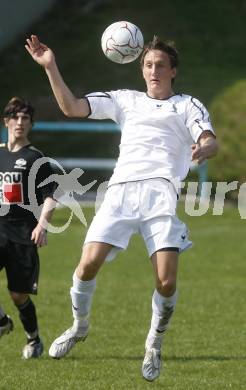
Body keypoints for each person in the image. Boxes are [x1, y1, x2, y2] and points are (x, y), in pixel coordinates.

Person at [25, 34, 218, 381]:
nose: (153, 70)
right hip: (120, 194)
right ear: (140, 70)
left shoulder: (187, 105)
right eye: (148, 65)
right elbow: (72, 107)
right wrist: (50, 66)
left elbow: (208, 138)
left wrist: (204, 147)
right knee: (87, 266)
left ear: (173, 71)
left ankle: (154, 345)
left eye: (160, 65)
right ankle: (79, 327)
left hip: (160, 195)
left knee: (166, 280)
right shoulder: (124, 100)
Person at [0, 97, 56, 359]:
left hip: (22, 233)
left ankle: (33, 340)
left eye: (25, 119)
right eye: (16, 117)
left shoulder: (36, 158)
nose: (20, 122)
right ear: (6, 121)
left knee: (18, 295)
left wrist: (42, 225)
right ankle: (2, 322)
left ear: (31, 124)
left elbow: (50, 196)